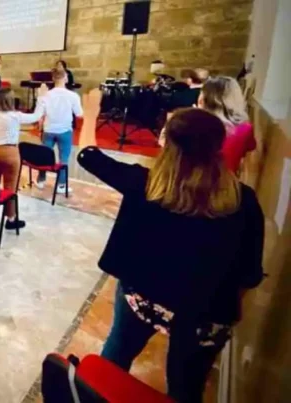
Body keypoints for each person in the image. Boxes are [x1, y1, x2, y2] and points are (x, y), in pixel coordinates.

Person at [76, 89, 264, 402]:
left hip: (141, 298)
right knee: (185, 388)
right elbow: (248, 275)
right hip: (204, 315)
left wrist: (92, 112)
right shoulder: (242, 201)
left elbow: (88, 156)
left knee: (116, 355)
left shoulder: (145, 184)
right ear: (219, 146)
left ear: (167, 143)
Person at [160, 76, 254, 174]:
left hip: (193, 181)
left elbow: (168, 149)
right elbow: (246, 152)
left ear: (203, 99)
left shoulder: (192, 124)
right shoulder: (246, 128)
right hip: (227, 183)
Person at [0, 88, 40, 229]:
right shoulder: (15, 116)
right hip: (10, 152)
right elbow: (36, 116)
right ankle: (11, 219)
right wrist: (42, 99)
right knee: (10, 187)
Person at [33, 69, 83, 194]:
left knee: (44, 156)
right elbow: (79, 114)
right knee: (63, 159)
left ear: (53, 79)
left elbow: (38, 114)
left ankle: (40, 180)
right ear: (66, 78)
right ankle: (61, 185)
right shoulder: (73, 96)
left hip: (48, 130)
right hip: (65, 131)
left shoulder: (45, 95)